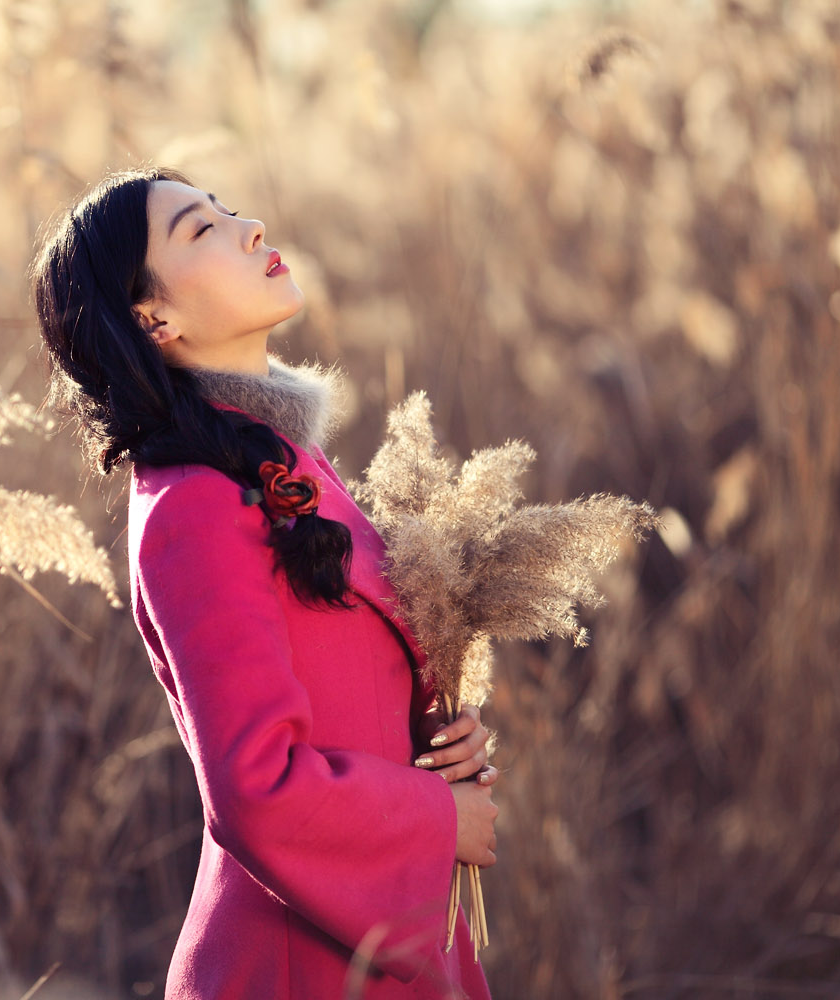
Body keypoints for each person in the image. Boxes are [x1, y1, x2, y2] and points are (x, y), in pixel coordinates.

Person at [29, 165, 497, 999]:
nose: (249, 228)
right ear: (154, 316)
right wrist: (436, 820)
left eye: (229, 211)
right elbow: (256, 783)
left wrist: (439, 742)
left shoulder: (277, 461)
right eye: (201, 230)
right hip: (296, 961)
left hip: (381, 938)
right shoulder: (192, 508)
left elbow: (348, 679)